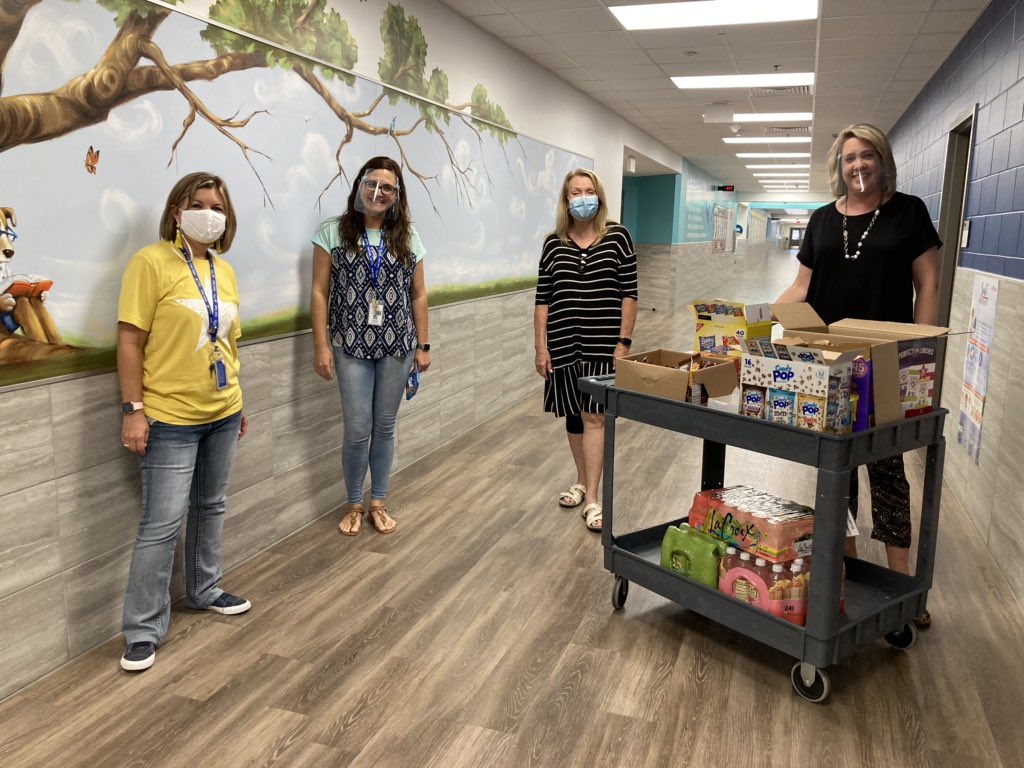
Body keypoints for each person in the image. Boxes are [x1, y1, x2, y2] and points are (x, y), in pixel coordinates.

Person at [776, 123, 941, 628]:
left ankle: (901, 583)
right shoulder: (822, 220)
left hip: (887, 364)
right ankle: (846, 572)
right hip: (829, 367)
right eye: (849, 158)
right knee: (836, 472)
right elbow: (801, 287)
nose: (858, 165)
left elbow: (929, 282)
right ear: (839, 167)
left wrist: (921, 352)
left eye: (867, 155)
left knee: (888, 472)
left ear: (882, 160)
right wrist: (759, 319)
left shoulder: (909, 212)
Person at [117, 172, 251, 672]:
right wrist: (133, 410)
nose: (209, 214)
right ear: (177, 211)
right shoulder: (150, 262)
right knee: (161, 523)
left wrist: (239, 403)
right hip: (169, 418)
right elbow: (129, 341)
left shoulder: (224, 270)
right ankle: (142, 629)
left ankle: (204, 588)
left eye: (218, 207)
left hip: (223, 411)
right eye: (199, 204)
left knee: (211, 505)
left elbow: (228, 344)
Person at [310, 156, 431, 536]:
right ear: (360, 185)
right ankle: (353, 504)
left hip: (398, 345)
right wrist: (320, 346)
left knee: (385, 426)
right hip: (350, 345)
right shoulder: (332, 232)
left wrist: (423, 346)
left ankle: (378, 501)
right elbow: (319, 291)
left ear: (397, 195)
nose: (378, 192)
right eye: (372, 183)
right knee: (357, 428)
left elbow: (418, 294)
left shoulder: (407, 236)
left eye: (388, 187)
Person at [534, 168, 638, 532]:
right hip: (563, 346)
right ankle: (581, 480)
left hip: (602, 346)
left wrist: (624, 342)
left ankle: (593, 497)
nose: (583, 198)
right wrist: (541, 347)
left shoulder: (618, 237)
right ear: (566, 200)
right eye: (575, 192)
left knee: (594, 416)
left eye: (589, 191)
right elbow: (543, 299)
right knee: (574, 417)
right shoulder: (553, 243)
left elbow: (629, 294)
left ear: (599, 195)